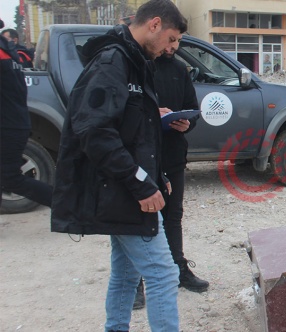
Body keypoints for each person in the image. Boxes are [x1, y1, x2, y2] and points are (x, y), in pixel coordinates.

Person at [49, 1, 187, 331]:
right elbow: (94, 132)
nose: (172, 49)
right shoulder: (113, 62)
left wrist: (157, 176)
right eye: (170, 39)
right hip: (119, 190)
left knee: (127, 273)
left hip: (122, 186)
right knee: (163, 274)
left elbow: (135, 133)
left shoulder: (135, 62)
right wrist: (141, 183)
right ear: (154, 24)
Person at [133, 33, 208, 310]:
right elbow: (127, 112)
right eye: (171, 41)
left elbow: (193, 109)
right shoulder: (137, 64)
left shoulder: (179, 68)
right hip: (142, 156)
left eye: (177, 43)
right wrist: (155, 112)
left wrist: (187, 124)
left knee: (173, 215)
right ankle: (135, 284)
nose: (174, 48)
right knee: (141, 219)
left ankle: (179, 270)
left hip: (173, 153)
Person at [0, 18, 53, 210]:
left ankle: (67, 207)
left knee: (10, 178)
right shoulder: (8, 49)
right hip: (15, 121)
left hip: (7, 124)